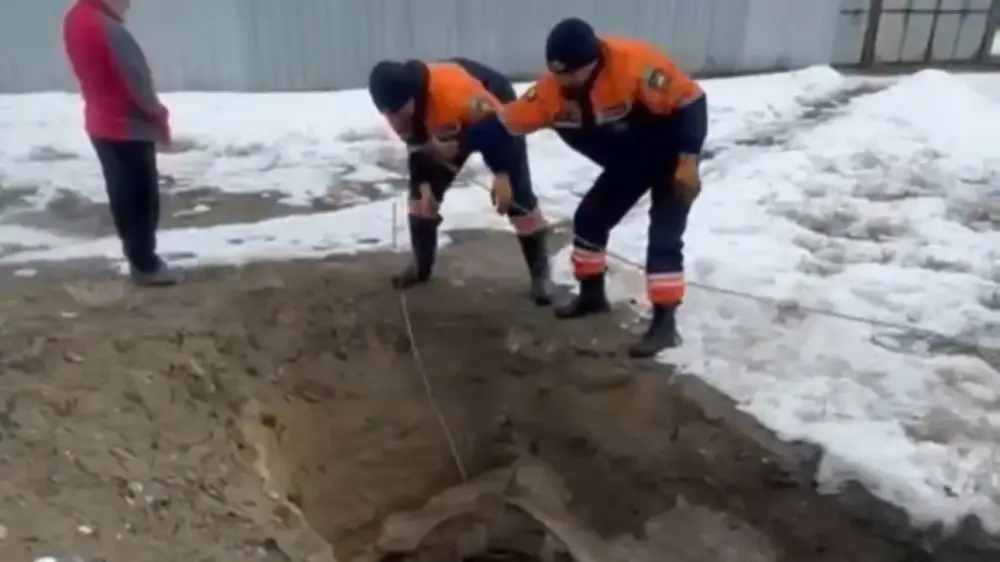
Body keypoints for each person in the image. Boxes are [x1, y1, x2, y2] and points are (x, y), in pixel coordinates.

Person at [438, 18, 707, 357]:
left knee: (664, 237)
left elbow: (691, 102)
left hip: (673, 159)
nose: (564, 82)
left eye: (572, 74)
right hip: (629, 166)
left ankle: (664, 325)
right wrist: (463, 145)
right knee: (590, 221)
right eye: (558, 74)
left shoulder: (635, 66)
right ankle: (592, 297)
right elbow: (501, 126)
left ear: (594, 62)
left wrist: (688, 159)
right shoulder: (550, 93)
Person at [368, 57, 554, 305]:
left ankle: (541, 275)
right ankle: (421, 267)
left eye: (400, 114)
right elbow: (417, 146)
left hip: (494, 113)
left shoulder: (454, 94)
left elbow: (500, 127)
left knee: (516, 197)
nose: (395, 122)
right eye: (389, 116)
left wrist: (502, 174)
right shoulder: (396, 105)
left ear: (413, 97)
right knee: (421, 201)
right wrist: (426, 185)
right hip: (447, 122)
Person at [62, 0, 180, 286]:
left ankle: (136, 256)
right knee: (140, 199)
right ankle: (145, 264)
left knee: (121, 193)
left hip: (100, 124)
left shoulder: (75, 17)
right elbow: (137, 82)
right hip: (128, 127)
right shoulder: (108, 29)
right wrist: (158, 117)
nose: (129, 4)